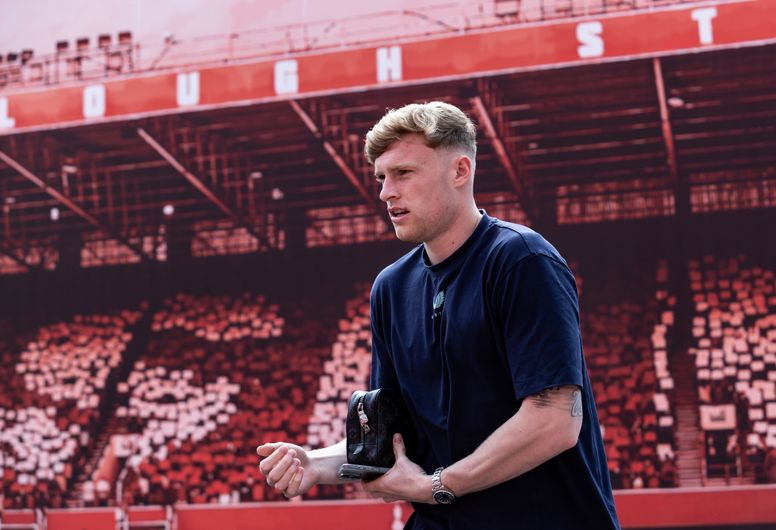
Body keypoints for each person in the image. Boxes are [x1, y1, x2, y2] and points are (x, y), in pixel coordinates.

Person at [257, 101, 620, 529]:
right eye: (381, 177)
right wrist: (315, 463)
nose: (385, 192)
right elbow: (393, 430)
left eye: (403, 173)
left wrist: (435, 486)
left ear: (460, 171)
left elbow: (554, 421)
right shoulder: (389, 288)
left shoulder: (522, 260)